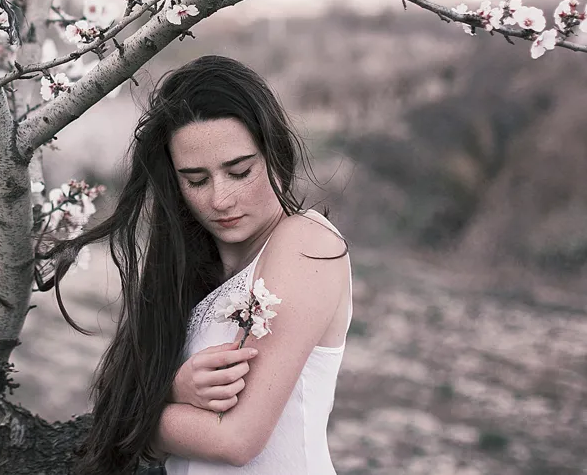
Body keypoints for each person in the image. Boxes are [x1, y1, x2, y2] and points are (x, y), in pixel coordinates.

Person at [38, 55, 352, 475]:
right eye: (196, 180)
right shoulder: (188, 271)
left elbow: (234, 439)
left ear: (274, 153)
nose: (220, 200)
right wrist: (173, 390)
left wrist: (133, 418)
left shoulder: (305, 241)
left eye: (239, 172)